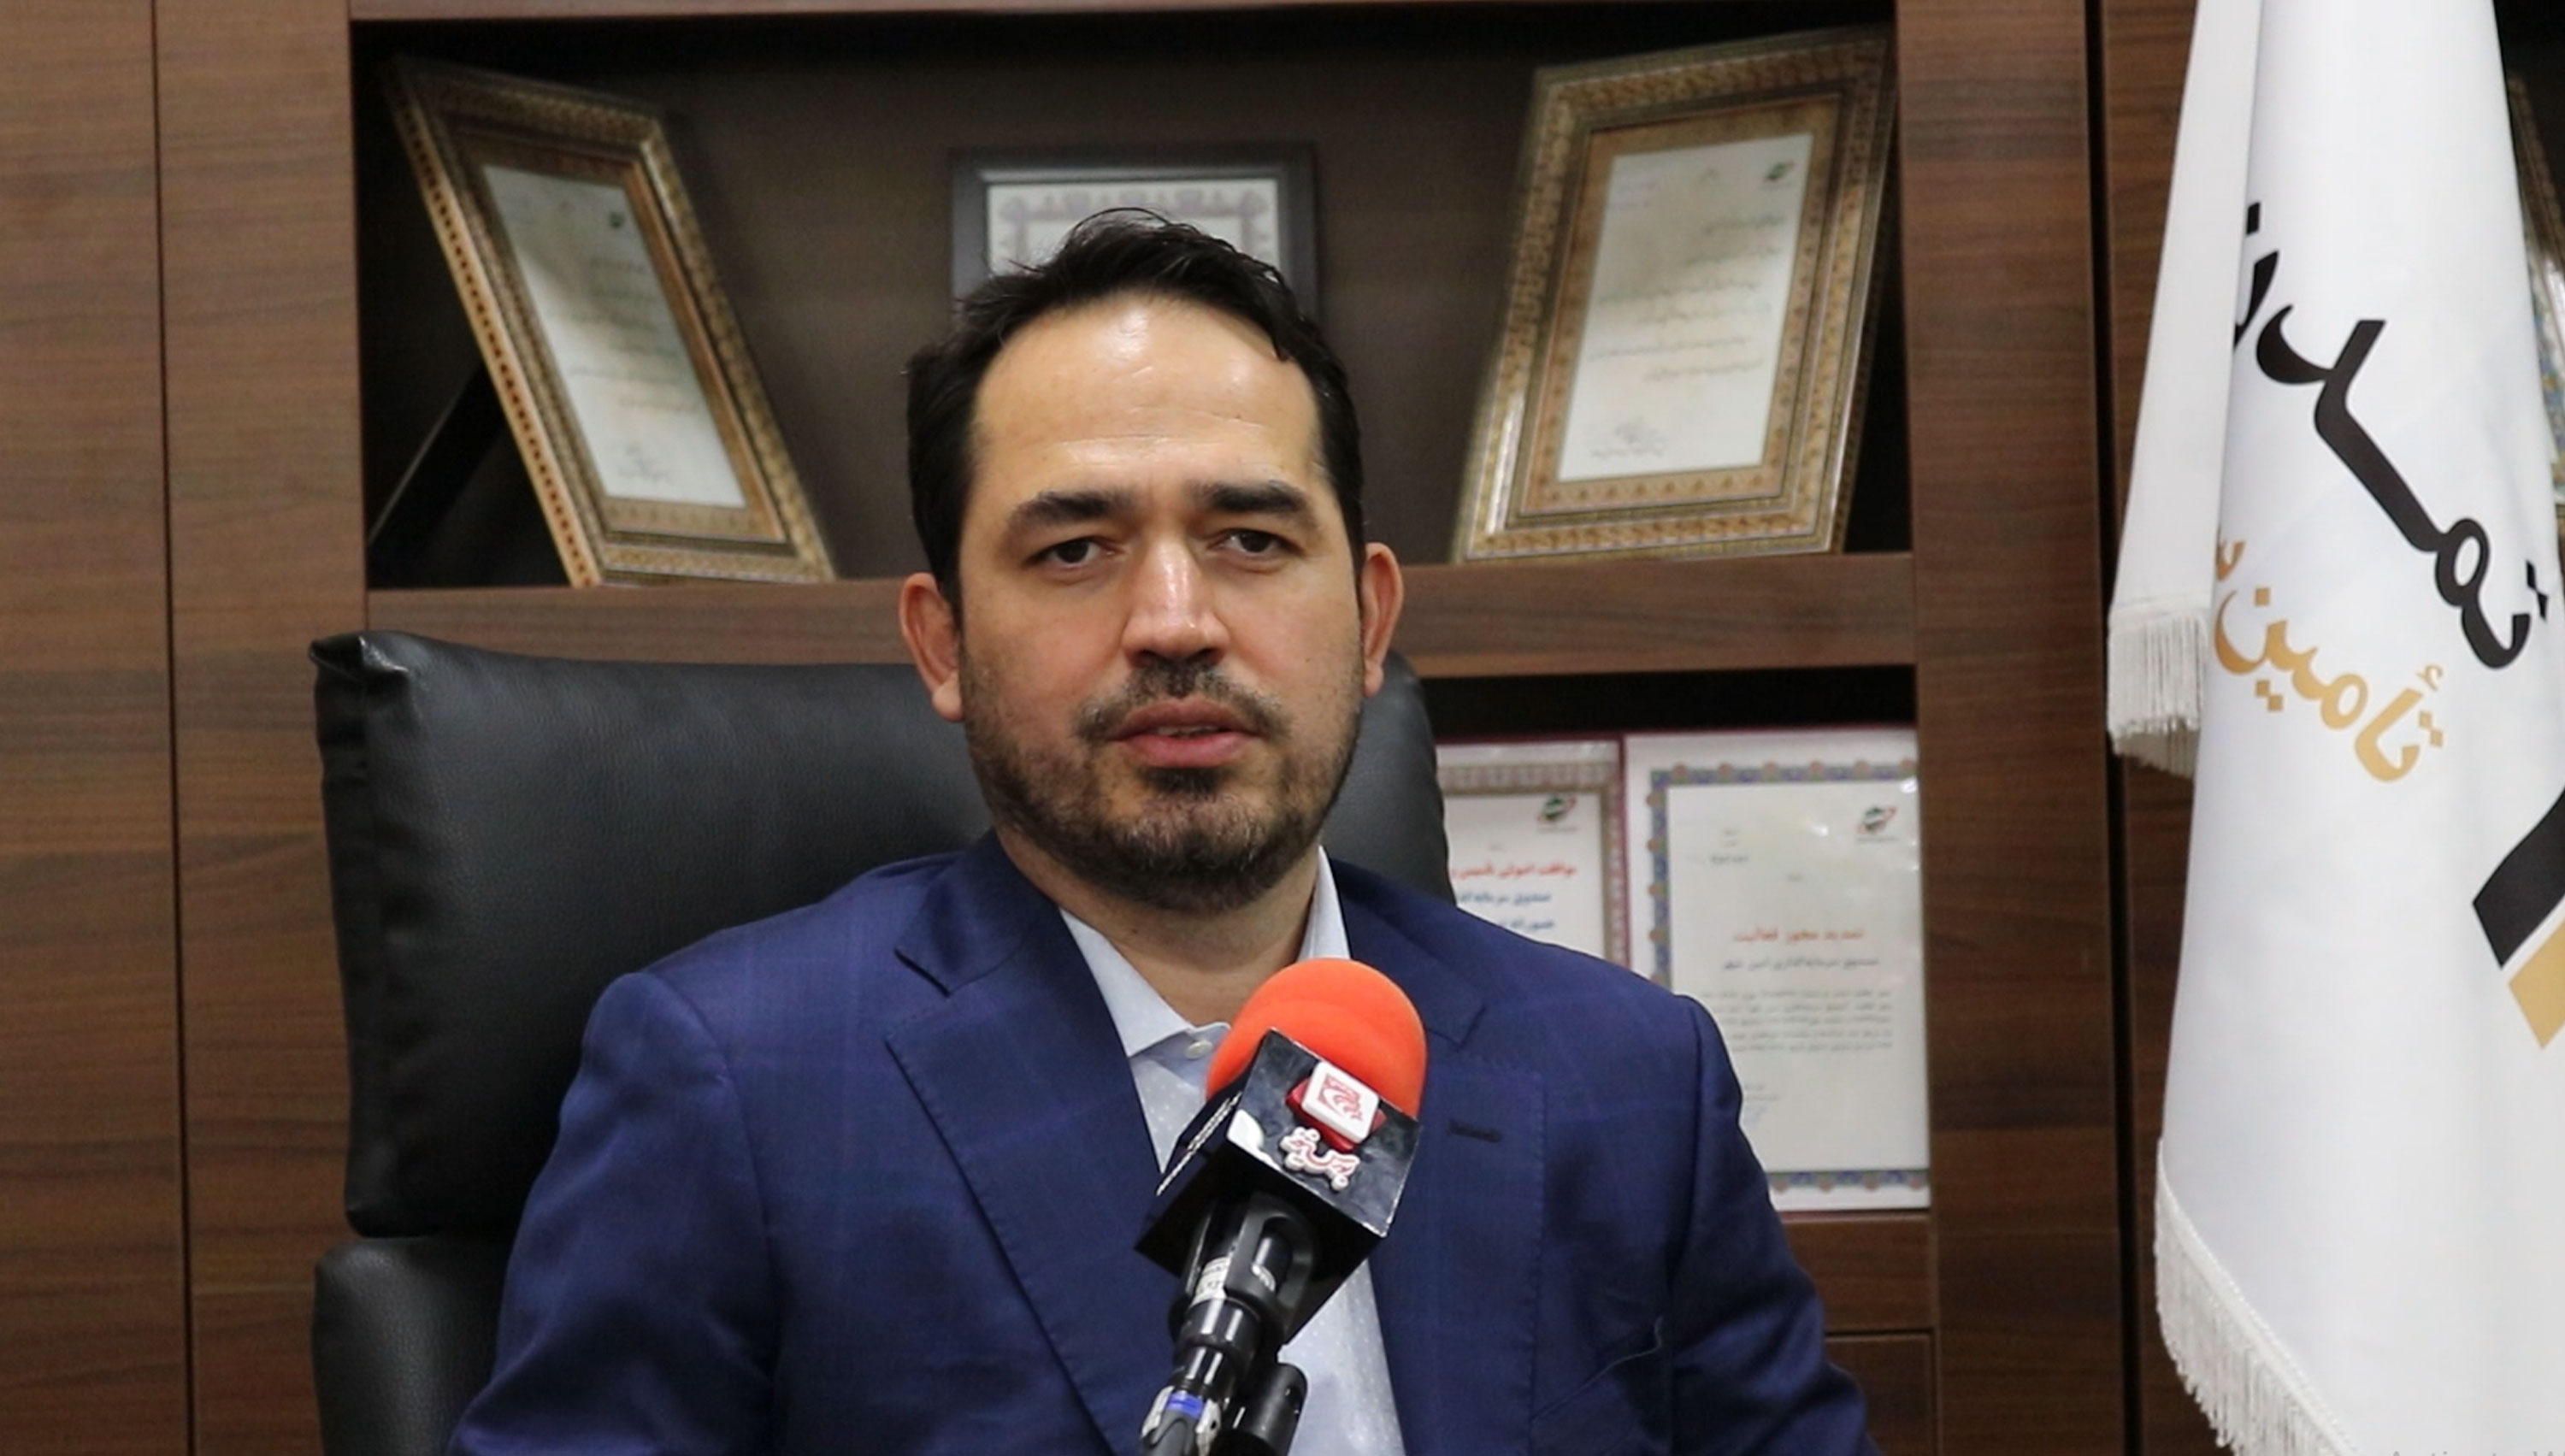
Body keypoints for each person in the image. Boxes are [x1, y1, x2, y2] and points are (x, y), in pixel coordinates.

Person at [449, 215, 1871, 1455]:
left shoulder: (1631, 1080)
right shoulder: (733, 1087)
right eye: (1075, 550)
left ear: (1369, 617)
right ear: (943, 643)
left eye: (1252, 540)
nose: (1176, 622)